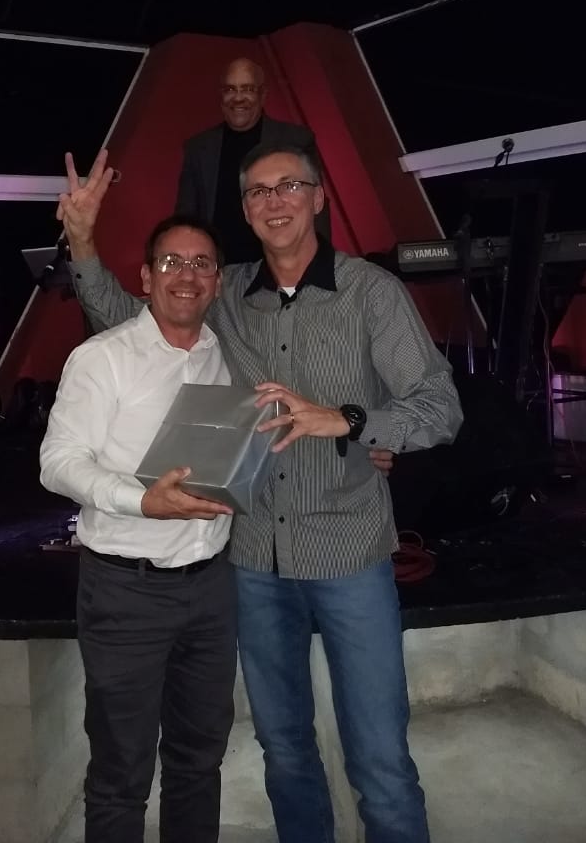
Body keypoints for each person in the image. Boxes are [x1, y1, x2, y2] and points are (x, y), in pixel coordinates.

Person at [57, 146, 463, 843]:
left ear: (319, 198)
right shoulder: (225, 292)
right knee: (285, 750)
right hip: (251, 561)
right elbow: (133, 320)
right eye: (258, 192)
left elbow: (440, 407)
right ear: (245, 209)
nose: (274, 201)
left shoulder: (371, 293)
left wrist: (350, 420)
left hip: (346, 551)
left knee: (380, 759)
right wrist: (83, 241)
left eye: (289, 186)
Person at [40, 215, 240, 843]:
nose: (188, 275)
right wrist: (140, 501)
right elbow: (58, 462)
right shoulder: (103, 358)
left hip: (212, 589)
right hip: (126, 593)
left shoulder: (227, 356)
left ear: (218, 281)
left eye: (202, 263)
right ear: (147, 278)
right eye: (172, 262)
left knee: (199, 760)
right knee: (121, 773)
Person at [175, 57, 328, 264]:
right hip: (218, 270)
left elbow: (316, 209)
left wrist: (319, 264)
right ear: (221, 96)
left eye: (247, 89)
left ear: (263, 95)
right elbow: (185, 218)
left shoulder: (296, 140)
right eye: (230, 89)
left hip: (281, 266)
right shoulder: (198, 148)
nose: (238, 98)